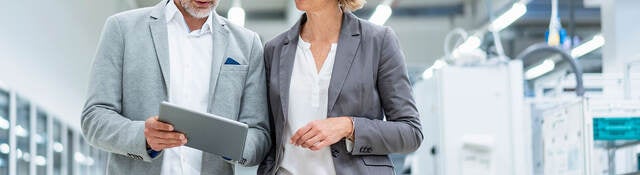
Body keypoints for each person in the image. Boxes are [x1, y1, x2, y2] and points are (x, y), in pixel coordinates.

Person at [81, 0, 270, 174]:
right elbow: (94, 117)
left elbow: (260, 135)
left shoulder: (248, 44)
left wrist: (232, 144)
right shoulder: (122, 28)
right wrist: (143, 136)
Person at [258, 0, 423, 174]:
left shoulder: (378, 41)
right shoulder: (274, 49)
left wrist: (348, 126)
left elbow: (411, 132)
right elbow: (269, 134)